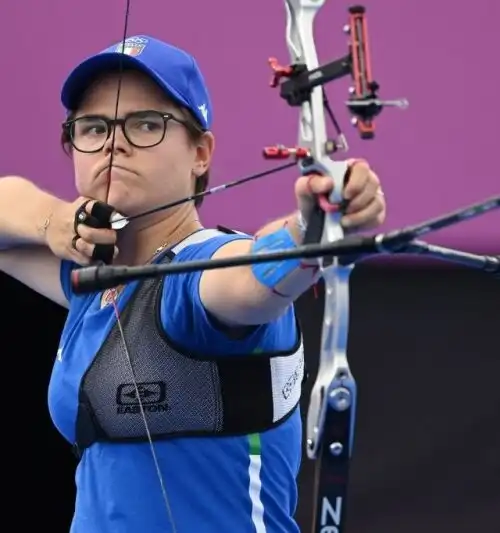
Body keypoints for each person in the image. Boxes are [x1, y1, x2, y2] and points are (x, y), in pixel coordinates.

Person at [0, 35, 385, 533]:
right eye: (93, 128)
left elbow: (253, 274)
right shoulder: (93, 281)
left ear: (200, 153)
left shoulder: (198, 276)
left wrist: (312, 227)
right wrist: (56, 222)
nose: (114, 141)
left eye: (145, 124)